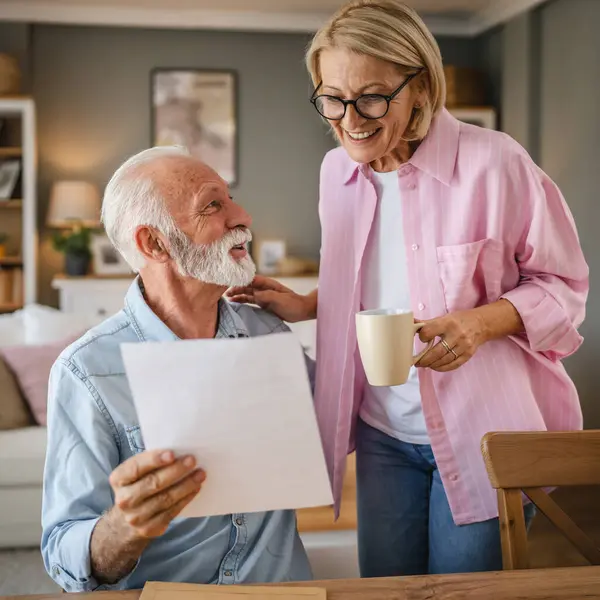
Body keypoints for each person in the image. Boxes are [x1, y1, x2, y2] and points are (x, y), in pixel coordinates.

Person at [228, 0, 589, 577]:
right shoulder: (336, 173)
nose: (350, 118)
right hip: (381, 434)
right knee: (386, 588)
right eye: (332, 97)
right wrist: (308, 304)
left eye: (371, 95)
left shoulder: (495, 164)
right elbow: (380, 281)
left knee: (464, 592)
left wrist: (480, 323)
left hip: (483, 434)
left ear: (419, 86)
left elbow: (564, 285)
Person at [41, 147, 313, 592]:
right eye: (213, 205)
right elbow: (62, 550)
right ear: (154, 243)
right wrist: (123, 528)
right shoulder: (86, 372)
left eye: (231, 199)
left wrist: (320, 309)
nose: (242, 215)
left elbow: (346, 427)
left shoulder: (269, 333)